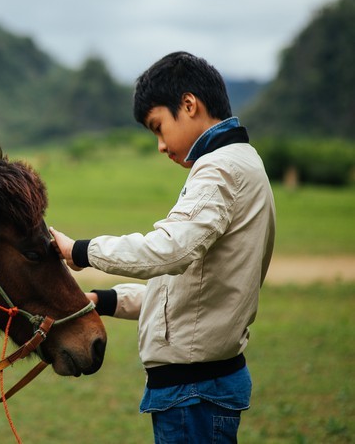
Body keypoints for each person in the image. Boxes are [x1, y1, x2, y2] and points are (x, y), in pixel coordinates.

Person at [50, 51, 276, 443]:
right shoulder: (239, 162)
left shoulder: (220, 168)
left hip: (193, 394)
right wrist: (101, 300)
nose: (160, 145)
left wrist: (79, 251)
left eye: (158, 127)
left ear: (189, 105)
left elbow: (168, 252)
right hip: (198, 388)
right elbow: (188, 290)